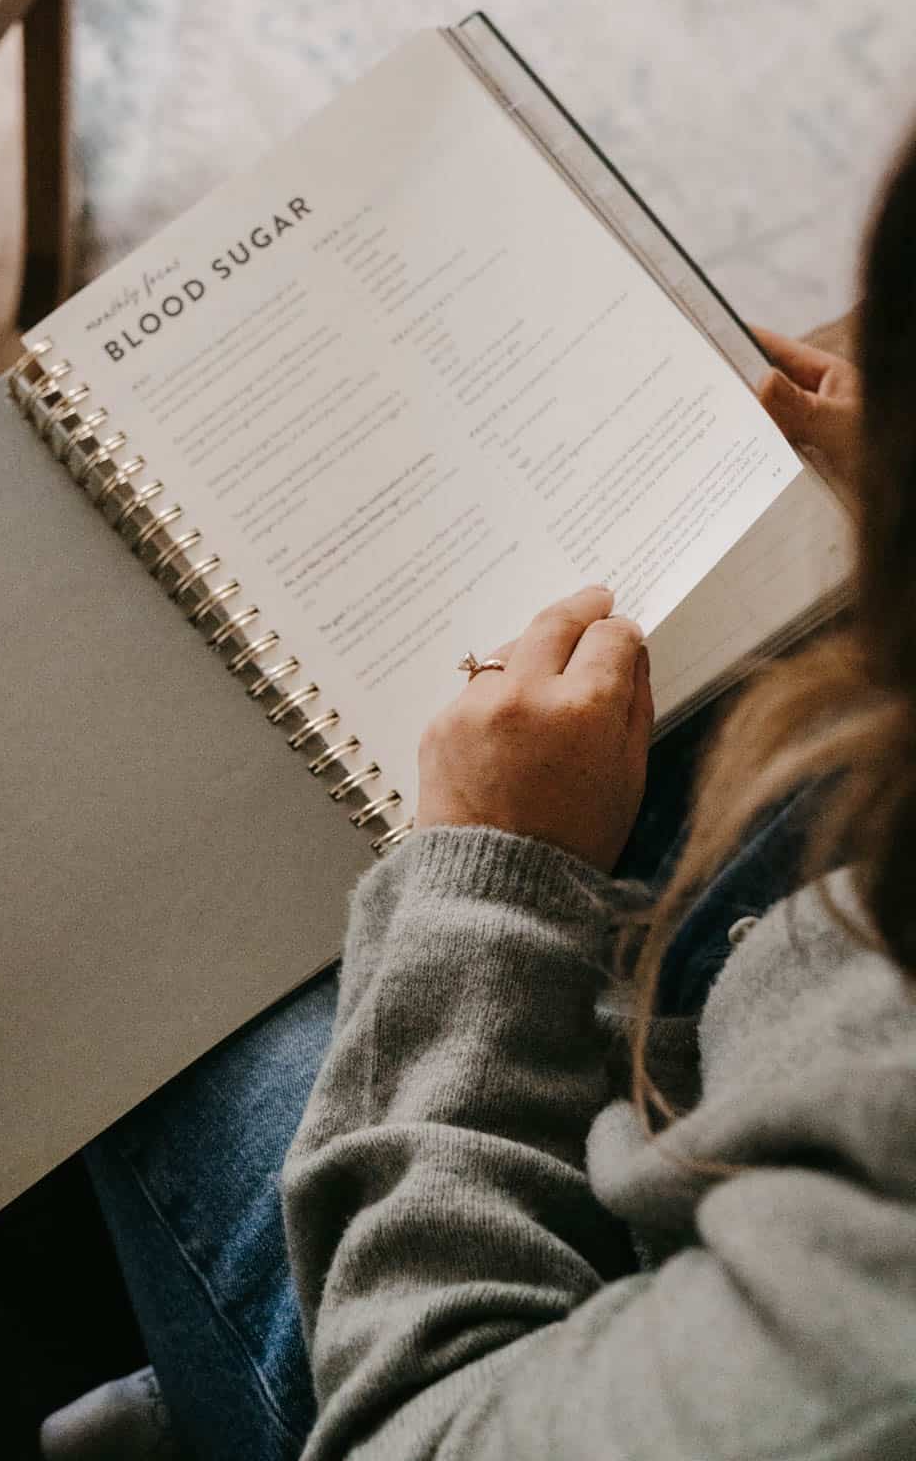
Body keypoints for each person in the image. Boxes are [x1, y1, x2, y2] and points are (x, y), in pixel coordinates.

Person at [46, 128, 916, 1460]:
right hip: (755, 1125)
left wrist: (493, 875)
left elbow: (426, 1431)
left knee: (145, 879)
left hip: (495, 1373)